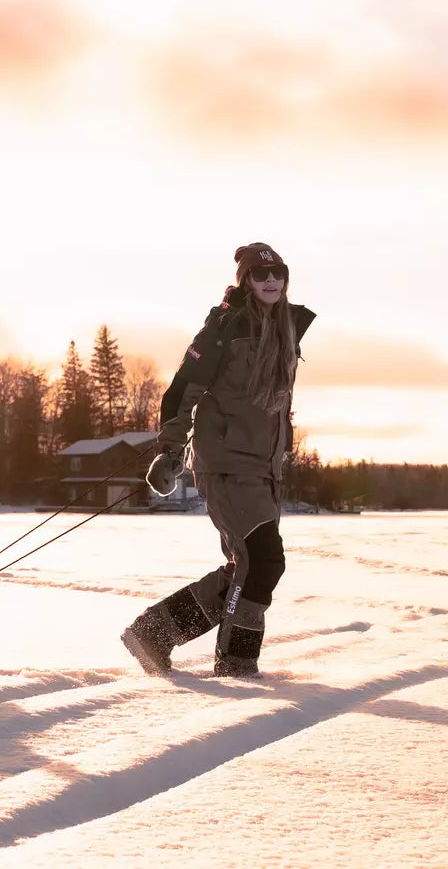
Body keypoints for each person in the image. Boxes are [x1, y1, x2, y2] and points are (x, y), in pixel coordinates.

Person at [121, 243, 315, 678]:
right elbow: (180, 391)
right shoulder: (225, 327)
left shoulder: (286, 328)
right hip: (227, 461)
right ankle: (236, 663)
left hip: (263, 467)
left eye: (278, 274)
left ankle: (155, 632)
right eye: (260, 275)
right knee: (264, 562)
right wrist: (169, 452)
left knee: (248, 566)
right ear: (245, 281)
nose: (270, 281)